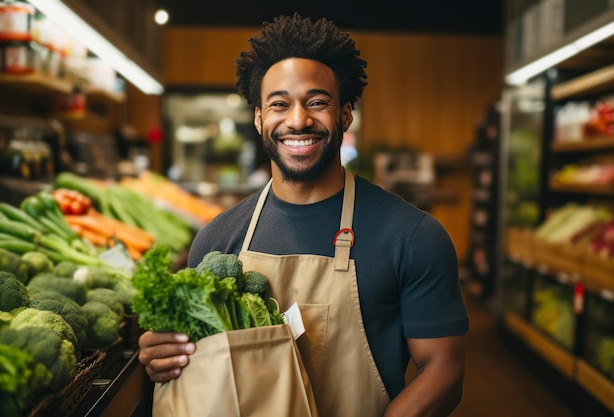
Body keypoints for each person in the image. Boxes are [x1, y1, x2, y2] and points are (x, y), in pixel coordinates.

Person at [138, 13, 469, 417]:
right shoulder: (218, 240)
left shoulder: (413, 236)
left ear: (345, 114)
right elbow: (202, 370)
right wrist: (168, 355)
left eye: (317, 102)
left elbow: (444, 370)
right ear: (259, 118)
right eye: (279, 104)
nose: (297, 120)